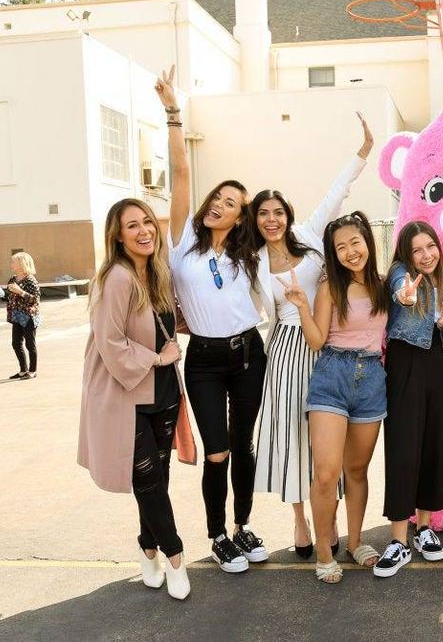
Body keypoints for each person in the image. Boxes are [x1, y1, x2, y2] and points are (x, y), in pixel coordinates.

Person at [157, 65, 267, 573]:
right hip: (203, 359)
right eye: (216, 199)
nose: (217, 206)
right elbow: (180, 173)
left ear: (240, 217)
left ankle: (244, 527)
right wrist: (173, 111)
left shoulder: (247, 255)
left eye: (229, 204)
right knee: (217, 451)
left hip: (249, 353)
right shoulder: (183, 246)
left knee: (243, 445)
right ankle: (217, 533)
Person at [251, 113, 373, 560]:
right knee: (293, 438)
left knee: (331, 440)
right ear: (256, 220)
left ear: (288, 214)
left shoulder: (310, 236)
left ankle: (332, 517)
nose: (272, 220)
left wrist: (363, 151)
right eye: (263, 214)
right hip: (286, 349)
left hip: (331, 346)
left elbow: (337, 191)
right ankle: (301, 518)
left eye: (277, 212)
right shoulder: (253, 262)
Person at [77, 198, 191, 600]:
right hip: (126, 394)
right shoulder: (117, 278)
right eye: (132, 226)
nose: (144, 231)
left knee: (157, 480)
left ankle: (148, 549)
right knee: (147, 478)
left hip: (162, 391)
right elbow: (110, 341)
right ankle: (175, 557)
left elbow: (166, 323)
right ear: (117, 235)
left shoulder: (157, 273)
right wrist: (158, 357)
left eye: (147, 222)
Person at [280, 211, 388, 584]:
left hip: (372, 379)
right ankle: (325, 551)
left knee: (356, 470)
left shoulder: (385, 285)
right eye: (340, 247)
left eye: (354, 243)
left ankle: (357, 542)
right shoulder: (330, 288)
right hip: (331, 376)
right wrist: (302, 306)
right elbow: (315, 340)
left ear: (367, 243)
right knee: (326, 473)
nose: (349, 251)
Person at [375, 221, 443, 578]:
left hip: (441, 365)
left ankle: (424, 528)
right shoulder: (400, 273)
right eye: (417, 250)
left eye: (431, 247)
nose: (426, 255)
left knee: (434, 444)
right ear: (406, 254)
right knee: (403, 448)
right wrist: (405, 295)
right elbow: (401, 291)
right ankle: (398, 539)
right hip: (406, 364)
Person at [0, 252, 41, 380]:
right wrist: (2, 295)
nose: (11, 264)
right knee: (16, 343)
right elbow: (10, 298)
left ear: (21, 264)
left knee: (30, 344)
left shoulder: (31, 280)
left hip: (29, 316)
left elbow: (35, 300)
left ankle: (33, 371)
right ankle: (23, 370)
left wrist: (21, 292)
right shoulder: (12, 279)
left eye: (13, 262)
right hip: (16, 315)